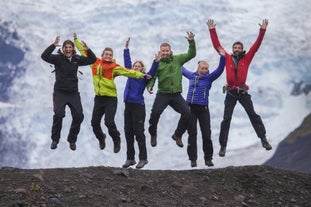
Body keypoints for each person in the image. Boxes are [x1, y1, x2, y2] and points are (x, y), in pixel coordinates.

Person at [74, 34, 151, 154]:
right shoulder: (94, 62)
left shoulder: (114, 67)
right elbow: (84, 52)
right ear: (102, 55)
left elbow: (129, 72)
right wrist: (75, 40)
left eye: (110, 55)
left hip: (111, 98)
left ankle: (116, 139)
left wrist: (142, 75)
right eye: (106, 54)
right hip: (99, 98)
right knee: (94, 123)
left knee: (108, 122)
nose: (108, 56)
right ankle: (101, 137)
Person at [207, 19, 272, 157]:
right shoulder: (227, 58)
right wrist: (212, 30)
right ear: (232, 49)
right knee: (226, 119)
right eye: (235, 48)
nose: (237, 49)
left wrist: (262, 30)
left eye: (239, 48)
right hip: (230, 93)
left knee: (253, 115)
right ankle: (223, 146)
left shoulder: (247, 58)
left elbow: (256, 45)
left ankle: (263, 139)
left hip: (242, 92)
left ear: (242, 50)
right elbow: (217, 45)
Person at [147, 31, 197, 167]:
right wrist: (150, 85)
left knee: (187, 112)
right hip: (163, 94)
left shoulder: (178, 59)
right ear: (160, 52)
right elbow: (153, 76)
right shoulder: (158, 63)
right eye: (163, 51)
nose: (165, 53)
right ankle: (153, 133)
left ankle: (178, 134)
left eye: (167, 51)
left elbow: (191, 54)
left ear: (170, 51)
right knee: (155, 113)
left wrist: (191, 42)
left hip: (175, 94)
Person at [41, 35, 96, 151]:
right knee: (59, 114)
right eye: (66, 47)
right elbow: (44, 56)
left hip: (73, 93)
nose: (68, 49)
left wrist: (88, 50)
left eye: (70, 47)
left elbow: (92, 60)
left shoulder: (77, 59)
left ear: (73, 48)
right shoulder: (57, 58)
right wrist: (53, 45)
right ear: (63, 49)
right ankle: (55, 140)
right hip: (60, 93)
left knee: (79, 116)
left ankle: (72, 139)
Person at [182, 47, 226, 167]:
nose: (205, 70)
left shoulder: (209, 78)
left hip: (203, 109)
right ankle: (193, 159)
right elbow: (181, 68)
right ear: (198, 68)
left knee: (206, 134)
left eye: (206, 69)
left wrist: (223, 57)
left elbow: (220, 69)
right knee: (192, 134)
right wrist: (171, 59)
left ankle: (208, 158)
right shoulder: (191, 76)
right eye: (203, 68)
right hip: (190, 108)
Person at [122, 38, 161, 169]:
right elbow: (127, 63)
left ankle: (143, 159)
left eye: (139, 66)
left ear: (142, 69)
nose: (136, 68)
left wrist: (155, 62)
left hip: (138, 107)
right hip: (128, 106)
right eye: (135, 66)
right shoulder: (130, 74)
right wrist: (126, 49)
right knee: (128, 132)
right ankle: (130, 158)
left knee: (139, 132)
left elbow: (152, 72)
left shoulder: (144, 77)